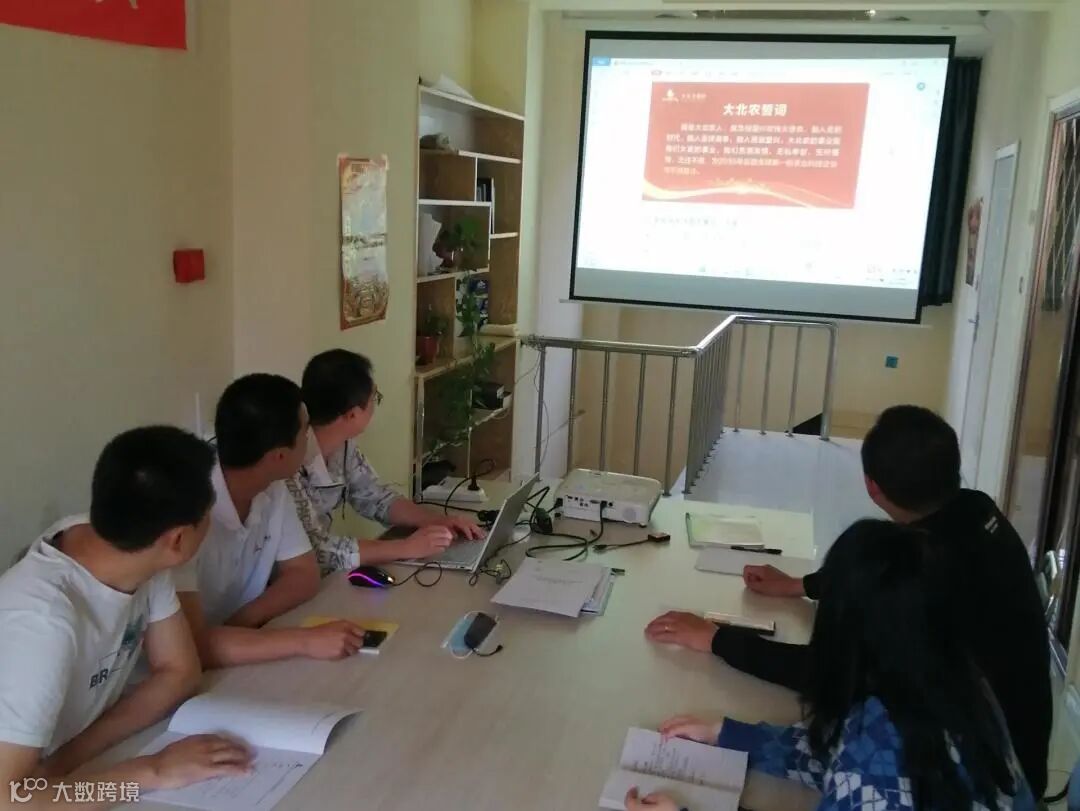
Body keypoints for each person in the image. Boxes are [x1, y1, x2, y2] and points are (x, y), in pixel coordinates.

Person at [645, 405, 1052, 798]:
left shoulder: (881, 754)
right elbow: (886, 564)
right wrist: (801, 585)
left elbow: (833, 670)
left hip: (984, 774)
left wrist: (718, 639)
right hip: (1006, 757)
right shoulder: (973, 514)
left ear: (872, 486)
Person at [633, 521, 1035, 811]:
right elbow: (835, 754)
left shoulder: (875, 763)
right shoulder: (950, 684)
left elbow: (861, 770)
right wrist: (732, 736)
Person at [0, 427, 252, 808]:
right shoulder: (42, 623)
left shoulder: (132, 547)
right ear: (178, 540)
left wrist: (65, 761)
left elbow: (180, 672)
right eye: (208, 515)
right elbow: (10, 799)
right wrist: (153, 772)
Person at [176, 374, 367, 669]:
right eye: (305, 432)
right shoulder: (184, 509)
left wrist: (242, 623)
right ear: (278, 456)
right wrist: (304, 641)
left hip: (238, 654)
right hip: (181, 677)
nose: (310, 440)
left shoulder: (274, 486)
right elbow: (189, 648)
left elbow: (304, 574)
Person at [288, 349, 482, 575]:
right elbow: (318, 550)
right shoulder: (289, 463)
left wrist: (436, 521)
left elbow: (376, 498)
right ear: (352, 415)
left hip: (318, 576)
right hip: (288, 580)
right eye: (375, 398)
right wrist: (405, 548)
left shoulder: (343, 446)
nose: (375, 405)